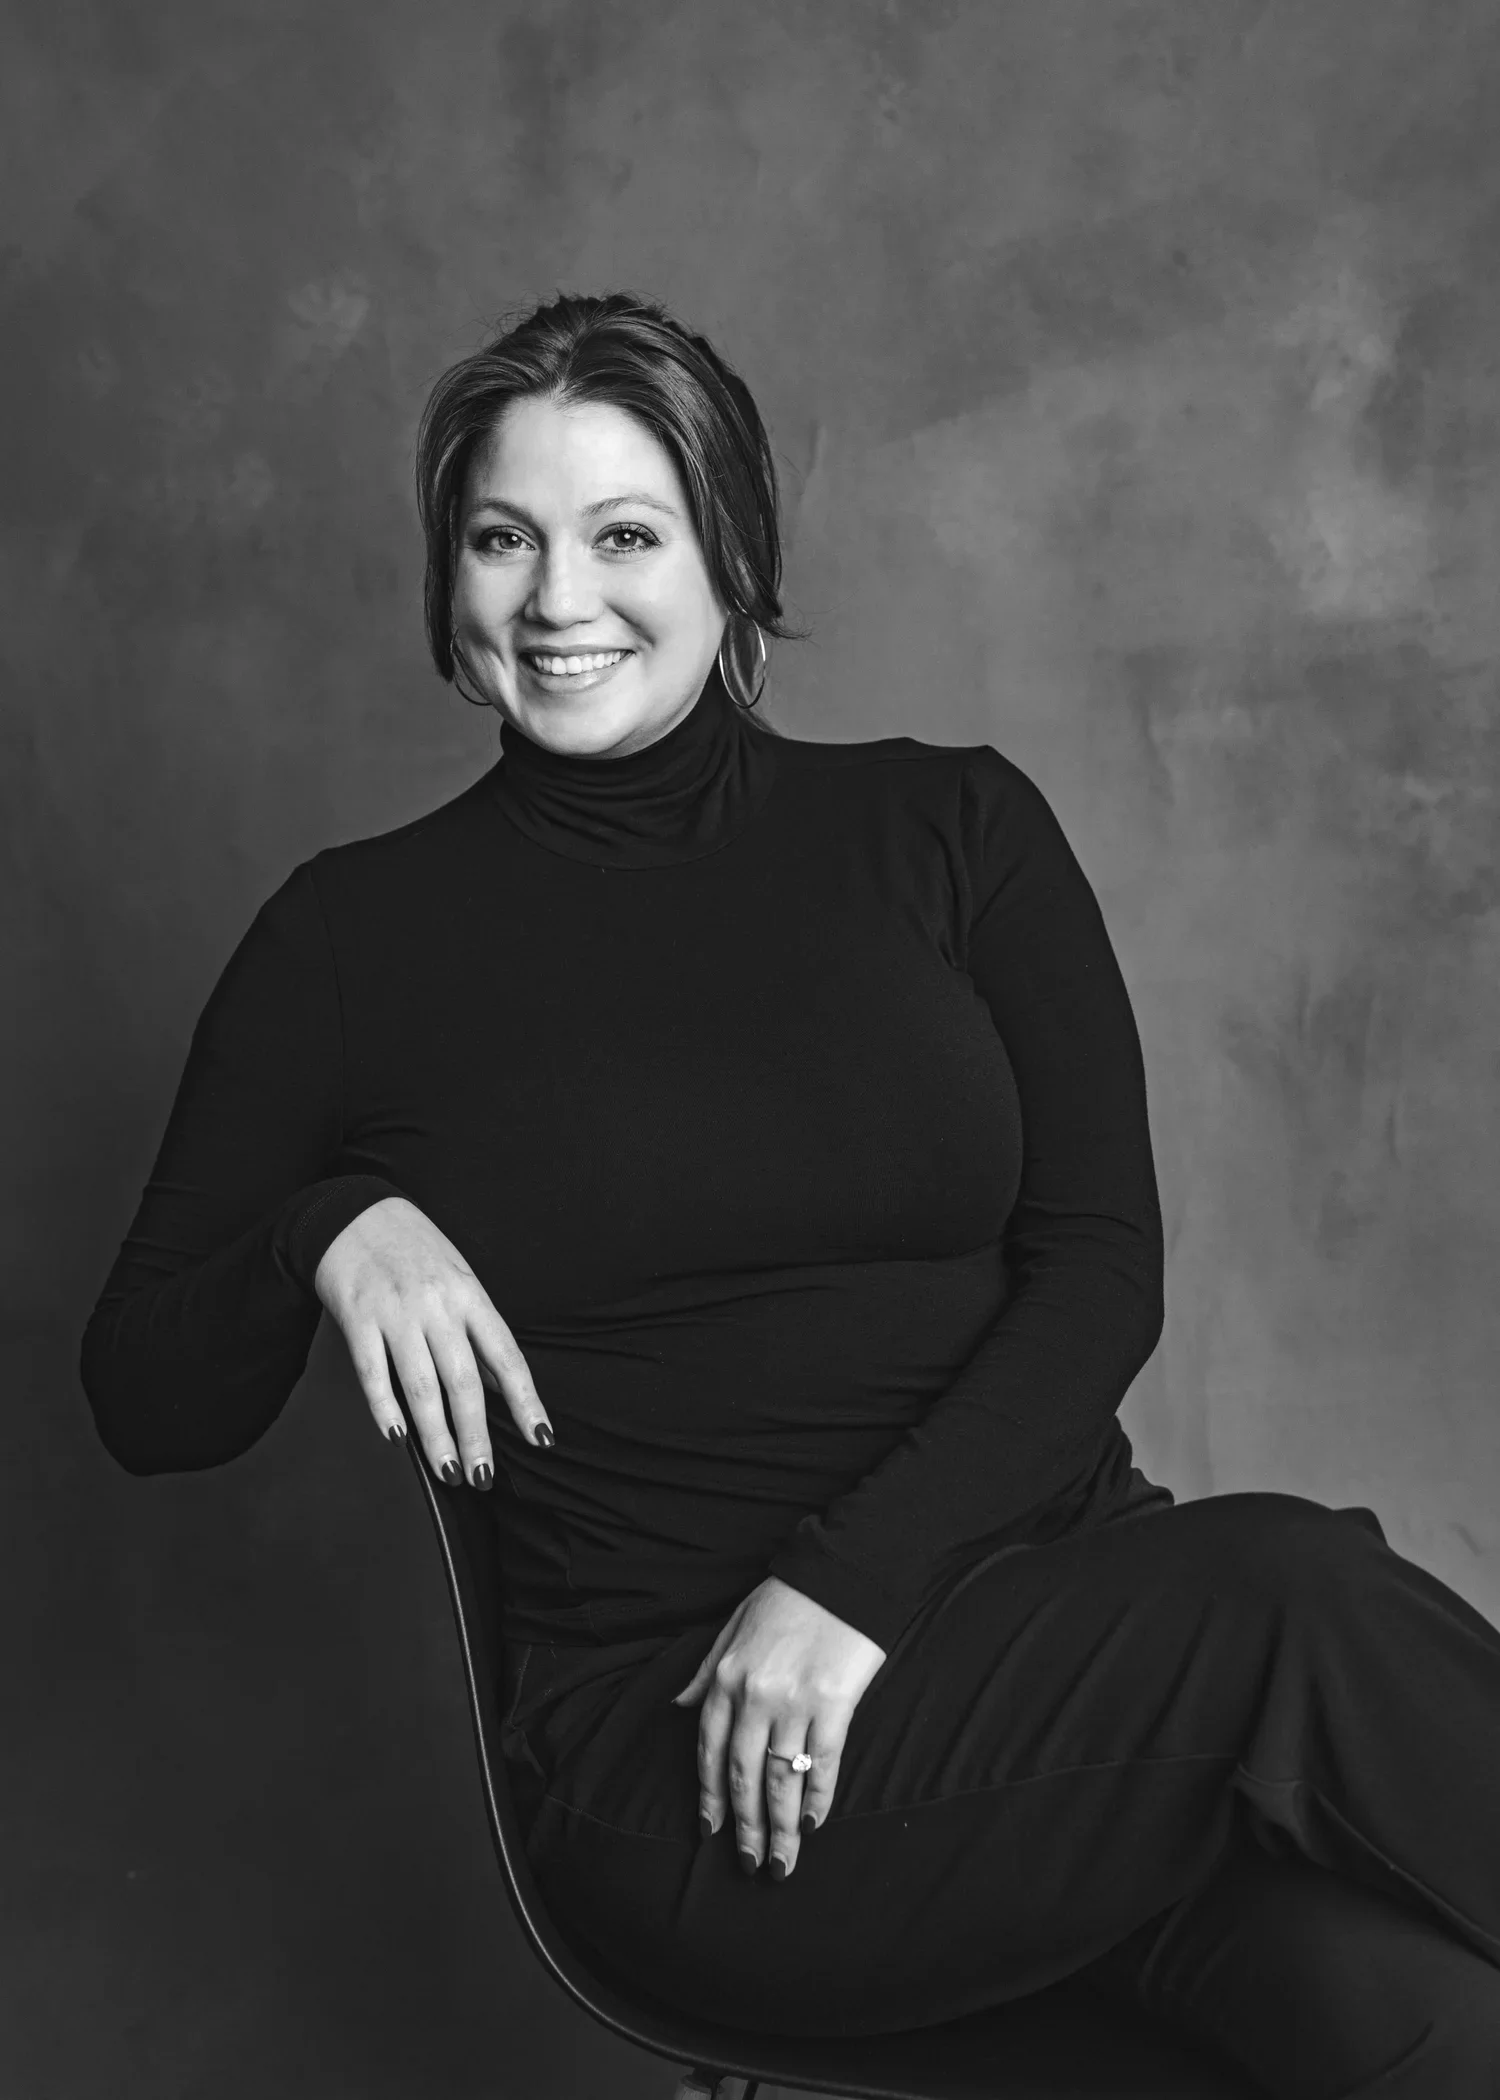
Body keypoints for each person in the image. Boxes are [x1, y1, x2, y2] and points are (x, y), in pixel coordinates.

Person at [81, 289, 1500, 2096]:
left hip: (1071, 1668)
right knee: (1294, 1592)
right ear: (448, 575)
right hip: (705, 1769)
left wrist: (848, 1588)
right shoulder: (347, 944)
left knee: (1434, 2031)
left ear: (730, 553)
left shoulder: (953, 832)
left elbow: (1099, 1270)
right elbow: (146, 1395)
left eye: (624, 535)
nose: (558, 598)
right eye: (504, 540)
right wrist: (324, 1230)